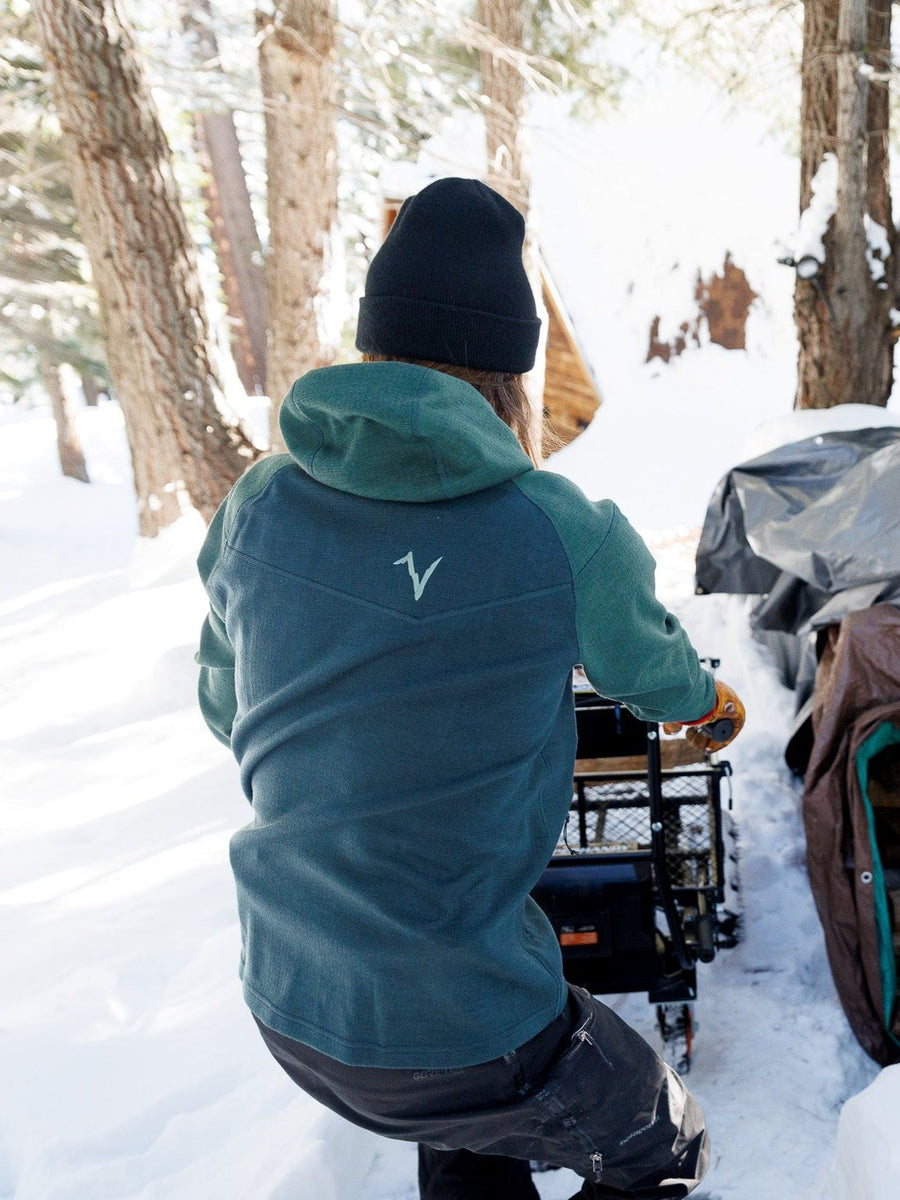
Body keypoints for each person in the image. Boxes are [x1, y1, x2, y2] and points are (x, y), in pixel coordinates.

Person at [196, 176, 745, 1199]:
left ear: (372, 344)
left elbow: (228, 707)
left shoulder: (260, 499)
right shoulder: (556, 525)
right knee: (666, 1149)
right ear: (511, 372)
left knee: (470, 1136)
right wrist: (708, 707)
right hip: (461, 1023)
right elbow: (656, 674)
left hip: (288, 996)